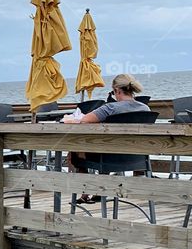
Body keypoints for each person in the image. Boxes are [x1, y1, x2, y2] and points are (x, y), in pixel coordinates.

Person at [63, 73, 151, 203]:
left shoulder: (110, 108)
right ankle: (100, 189)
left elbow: (83, 121)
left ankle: (87, 190)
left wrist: (67, 119)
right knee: (106, 149)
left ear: (117, 90)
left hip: (109, 159)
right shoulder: (145, 109)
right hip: (137, 159)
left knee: (75, 153)